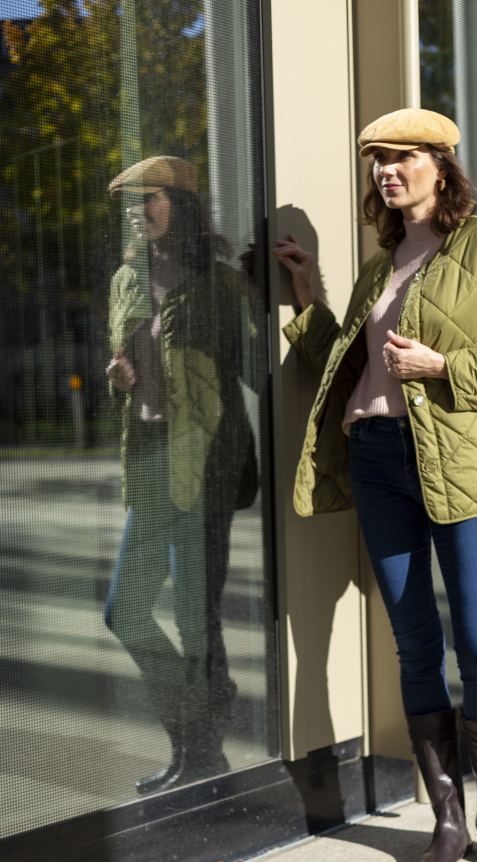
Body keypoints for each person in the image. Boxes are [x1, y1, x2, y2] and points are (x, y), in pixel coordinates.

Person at [274, 108, 477, 862]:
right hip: (380, 460)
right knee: (414, 643)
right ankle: (445, 817)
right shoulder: (384, 265)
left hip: (459, 465)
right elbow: (353, 364)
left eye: (401, 156)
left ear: (441, 165)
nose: (385, 170)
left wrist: (443, 368)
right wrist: (306, 296)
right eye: (376, 160)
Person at [104, 155, 256, 795]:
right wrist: (119, 377)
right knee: (125, 611)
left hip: (207, 463)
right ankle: (197, 724)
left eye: (151, 200)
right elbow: (129, 361)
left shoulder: (220, 283)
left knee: (198, 619)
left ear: (183, 205)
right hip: (150, 462)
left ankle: (201, 755)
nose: (139, 213)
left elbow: (253, 369)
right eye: (131, 204)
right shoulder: (126, 279)